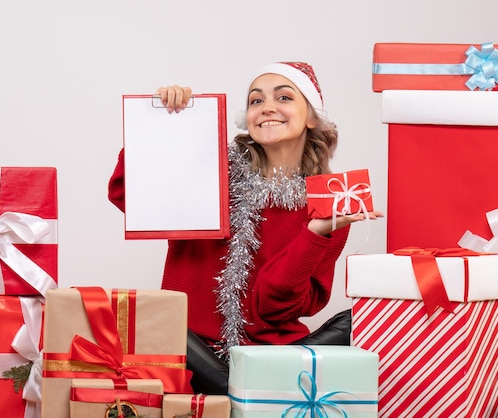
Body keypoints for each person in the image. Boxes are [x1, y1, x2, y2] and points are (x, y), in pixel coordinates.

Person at [108, 62, 383, 394]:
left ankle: (251, 392)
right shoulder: (211, 170)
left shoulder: (333, 204)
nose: (267, 107)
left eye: (284, 97)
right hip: (189, 350)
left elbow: (272, 308)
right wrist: (164, 125)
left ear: (311, 117)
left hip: (270, 358)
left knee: (364, 320)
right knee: (160, 325)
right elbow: (128, 196)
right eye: (256, 101)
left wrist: (314, 234)